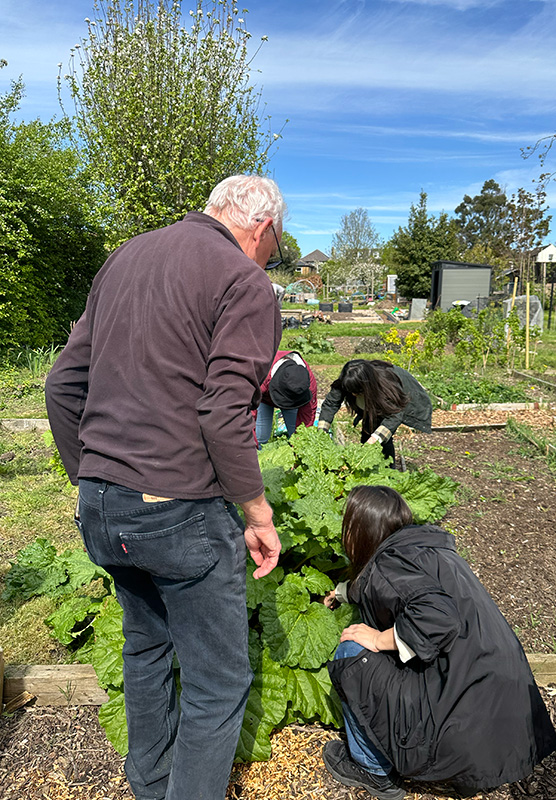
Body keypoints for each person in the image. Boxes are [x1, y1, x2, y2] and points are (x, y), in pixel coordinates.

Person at [45, 175, 286, 800]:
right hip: (178, 511)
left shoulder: (126, 256)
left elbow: (61, 385)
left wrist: (93, 477)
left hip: (102, 506)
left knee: (146, 650)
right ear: (261, 228)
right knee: (217, 685)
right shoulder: (243, 281)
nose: (269, 258)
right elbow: (224, 411)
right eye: (276, 246)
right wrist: (257, 513)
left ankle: (149, 786)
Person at [323, 485, 556, 800]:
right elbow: (391, 587)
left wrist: (378, 638)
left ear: (361, 531)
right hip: (503, 725)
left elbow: (436, 619)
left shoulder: (389, 563)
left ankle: (373, 770)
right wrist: (341, 593)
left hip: (453, 722)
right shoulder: (429, 549)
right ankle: (467, 772)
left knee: (352, 650)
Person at [317, 359, 432, 465]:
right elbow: (330, 405)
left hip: (402, 398)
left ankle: (388, 471)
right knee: (368, 431)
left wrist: (373, 441)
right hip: (373, 397)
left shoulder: (386, 384)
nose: (353, 395)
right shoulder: (347, 380)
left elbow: (394, 416)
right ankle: (366, 467)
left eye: (357, 391)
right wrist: (321, 434)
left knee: (381, 440)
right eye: (350, 391)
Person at [254, 350, 317, 445]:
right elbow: (249, 412)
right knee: (260, 437)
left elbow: (307, 415)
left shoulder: (308, 384)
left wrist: (301, 444)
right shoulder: (262, 373)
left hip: (294, 401)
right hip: (262, 399)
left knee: (296, 434)